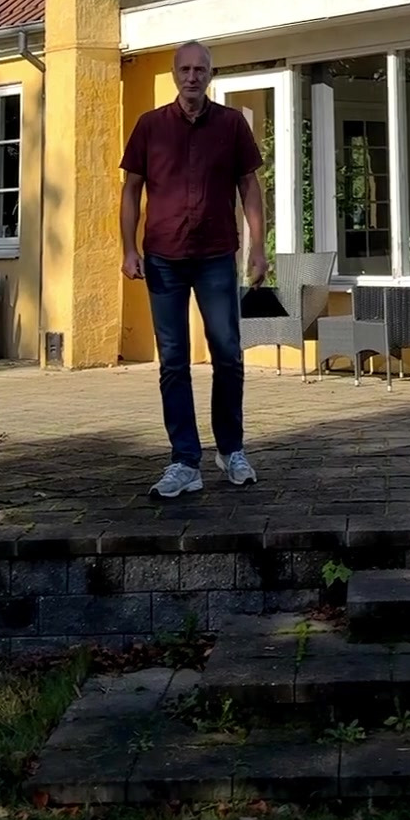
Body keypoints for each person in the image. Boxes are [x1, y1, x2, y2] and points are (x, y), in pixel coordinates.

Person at [120, 40, 267, 499]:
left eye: (199, 69)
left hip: (216, 255)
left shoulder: (231, 125)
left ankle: (231, 449)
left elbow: (250, 187)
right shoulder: (150, 126)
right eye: (184, 69)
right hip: (163, 258)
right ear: (174, 75)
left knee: (227, 353)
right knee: (173, 360)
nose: (191, 77)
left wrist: (258, 249)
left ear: (210, 75)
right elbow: (131, 190)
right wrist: (128, 249)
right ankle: (185, 460)